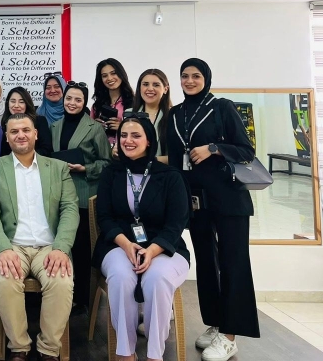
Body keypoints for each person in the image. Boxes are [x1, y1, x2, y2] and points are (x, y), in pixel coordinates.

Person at [166, 58, 259, 361]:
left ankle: (230, 335)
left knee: (233, 263)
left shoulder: (222, 107)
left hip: (229, 200)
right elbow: (175, 160)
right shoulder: (175, 114)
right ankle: (216, 323)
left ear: (206, 78)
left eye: (196, 76)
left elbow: (246, 150)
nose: (190, 81)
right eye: (185, 76)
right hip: (196, 201)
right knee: (206, 263)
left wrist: (213, 148)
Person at [0, 114, 79, 361]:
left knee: (61, 282)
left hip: (50, 247)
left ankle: (49, 349)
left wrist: (61, 248)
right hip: (12, 245)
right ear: (7, 137)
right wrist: (3, 248)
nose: (20, 135)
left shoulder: (57, 168)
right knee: (5, 280)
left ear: (35, 134)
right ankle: (19, 347)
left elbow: (70, 208)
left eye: (25, 130)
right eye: (14, 132)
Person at [93, 113, 190, 361]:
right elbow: (104, 217)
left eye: (136, 135)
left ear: (149, 141)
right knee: (121, 276)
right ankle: (125, 353)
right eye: (123, 135)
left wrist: (153, 250)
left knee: (157, 278)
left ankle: (155, 354)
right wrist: (126, 245)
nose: (128, 140)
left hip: (164, 246)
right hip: (118, 244)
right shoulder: (111, 173)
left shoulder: (170, 176)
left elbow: (176, 223)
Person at [50, 81, 111, 314]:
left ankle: (83, 299)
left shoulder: (94, 128)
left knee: (82, 248)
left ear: (85, 102)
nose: (72, 103)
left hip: (84, 194)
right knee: (62, 246)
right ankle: (62, 293)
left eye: (78, 99)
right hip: (59, 193)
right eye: (69, 98)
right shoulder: (54, 126)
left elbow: (106, 162)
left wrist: (85, 168)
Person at [126, 69, 172, 163]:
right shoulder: (128, 114)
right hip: (133, 169)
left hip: (163, 170)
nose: (150, 88)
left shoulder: (174, 115)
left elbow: (178, 156)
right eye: (145, 84)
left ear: (165, 89)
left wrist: (149, 161)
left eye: (156, 85)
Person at [91, 59, 135, 145]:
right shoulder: (97, 105)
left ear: (121, 74)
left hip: (126, 149)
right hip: (101, 150)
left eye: (113, 73)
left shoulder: (134, 102)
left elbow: (142, 131)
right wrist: (95, 127)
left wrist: (123, 127)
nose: (109, 78)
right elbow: (89, 133)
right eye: (104, 76)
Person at [0, 86, 53, 157]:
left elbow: (46, 150)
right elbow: (4, 153)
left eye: (21, 102)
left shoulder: (39, 121)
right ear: (7, 103)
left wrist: (24, 158)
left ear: (27, 104)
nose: (16, 105)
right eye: (13, 101)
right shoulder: (5, 123)